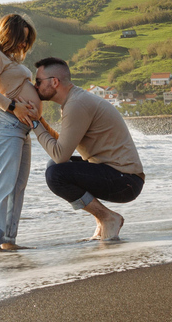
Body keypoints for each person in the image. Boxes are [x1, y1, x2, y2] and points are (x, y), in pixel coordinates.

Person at [28, 57, 145, 240]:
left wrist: (34, 123)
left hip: (125, 181)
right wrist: (40, 121)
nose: (35, 86)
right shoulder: (75, 100)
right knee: (54, 167)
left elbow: (60, 155)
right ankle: (103, 219)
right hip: (121, 176)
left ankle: (107, 217)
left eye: (38, 82)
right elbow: (63, 145)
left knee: (56, 174)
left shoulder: (76, 104)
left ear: (55, 82)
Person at [0, 14, 41, 253]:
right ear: (7, 35)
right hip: (3, 123)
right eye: (21, 39)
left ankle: (8, 240)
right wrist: (14, 106)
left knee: (18, 185)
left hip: (21, 128)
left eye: (26, 41)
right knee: (2, 184)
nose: (24, 45)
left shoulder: (9, 60)